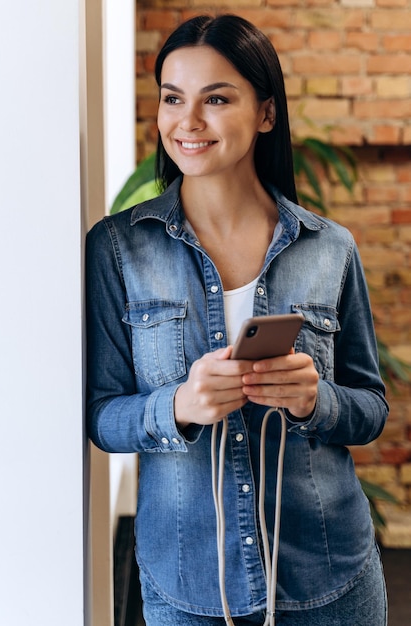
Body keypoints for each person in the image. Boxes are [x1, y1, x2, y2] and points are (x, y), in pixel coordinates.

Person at [86, 14, 389, 626]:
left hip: (329, 583)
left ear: (266, 113)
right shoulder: (118, 248)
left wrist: (314, 401)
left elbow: (371, 409)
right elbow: (101, 415)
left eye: (216, 99)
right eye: (173, 98)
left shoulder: (330, 248)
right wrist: (177, 406)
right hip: (188, 585)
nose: (187, 122)